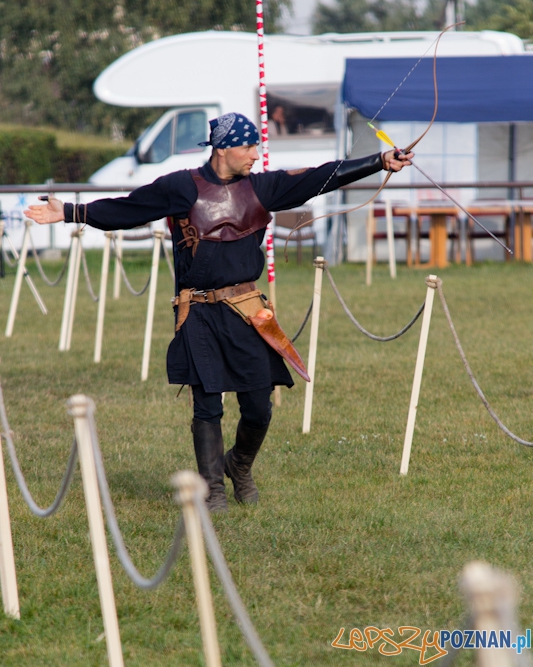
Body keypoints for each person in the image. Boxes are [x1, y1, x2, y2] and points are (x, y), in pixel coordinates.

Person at [25, 112, 413, 513]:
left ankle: (239, 464)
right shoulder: (181, 186)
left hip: (246, 311)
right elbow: (129, 209)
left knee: (259, 405)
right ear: (223, 149)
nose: (255, 155)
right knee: (207, 404)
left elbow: (318, 177)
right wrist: (69, 211)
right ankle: (212, 489)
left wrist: (379, 161)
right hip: (198, 312)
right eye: (248, 147)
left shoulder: (262, 187)